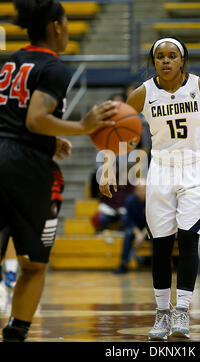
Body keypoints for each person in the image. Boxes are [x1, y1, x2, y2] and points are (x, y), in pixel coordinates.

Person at [0, 0, 117, 342]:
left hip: (7, 150)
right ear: (57, 26)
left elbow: (15, 119)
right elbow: (36, 118)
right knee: (34, 263)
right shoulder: (54, 68)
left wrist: (50, 142)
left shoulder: (11, 62)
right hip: (24, 168)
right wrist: (81, 125)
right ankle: (16, 335)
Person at [100, 36, 200, 340]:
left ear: (182, 60)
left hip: (197, 168)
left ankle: (182, 309)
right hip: (162, 169)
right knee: (160, 243)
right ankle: (161, 314)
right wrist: (107, 169)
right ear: (154, 61)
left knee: (187, 236)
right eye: (160, 57)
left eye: (172, 56)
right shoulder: (141, 94)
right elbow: (121, 132)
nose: (166, 61)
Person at [114, 183, 148, 274]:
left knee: (157, 236)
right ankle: (123, 264)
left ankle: (156, 264)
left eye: (145, 189)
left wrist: (143, 234)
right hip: (135, 228)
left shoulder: (152, 201)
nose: (143, 192)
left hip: (148, 228)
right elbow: (128, 220)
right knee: (128, 234)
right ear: (135, 191)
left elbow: (153, 220)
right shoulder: (130, 201)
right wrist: (138, 234)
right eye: (140, 190)